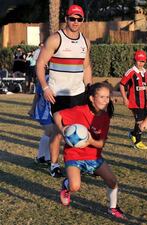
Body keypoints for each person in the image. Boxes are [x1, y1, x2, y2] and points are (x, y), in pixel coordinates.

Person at [53, 82, 126, 219]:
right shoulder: (78, 111)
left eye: (107, 97)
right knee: (75, 187)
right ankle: (66, 185)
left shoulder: (105, 118)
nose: (105, 100)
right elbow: (57, 114)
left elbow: (100, 144)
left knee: (112, 181)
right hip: (73, 156)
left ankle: (113, 208)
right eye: (102, 97)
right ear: (92, 98)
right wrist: (62, 129)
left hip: (94, 157)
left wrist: (90, 141)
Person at [36, 4, 92, 178]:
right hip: (58, 95)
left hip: (78, 94)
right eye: (72, 18)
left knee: (82, 130)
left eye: (79, 19)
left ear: (82, 20)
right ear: (66, 19)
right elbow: (39, 65)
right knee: (58, 132)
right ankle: (54, 165)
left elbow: (86, 66)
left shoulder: (85, 41)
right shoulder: (55, 39)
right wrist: (45, 87)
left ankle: (81, 164)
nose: (75, 22)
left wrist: (89, 89)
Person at [119, 50, 147, 150]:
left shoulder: (145, 72)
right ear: (135, 60)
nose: (140, 63)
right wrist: (125, 98)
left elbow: (145, 86)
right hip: (135, 102)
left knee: (146, 121)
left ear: (145, 62)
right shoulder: (131, 72)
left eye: (142, 61)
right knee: (140, 123)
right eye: (138, 61)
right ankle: (137, 142)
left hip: (144, 102)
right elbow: (122, 85)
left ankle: (133, 133)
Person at [28, 74, 53, 165]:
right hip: (44, 110)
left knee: (52, 133)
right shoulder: (45, 78)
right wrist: (32, 108)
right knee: (49, 131)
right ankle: (41, 157)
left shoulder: (62, 78)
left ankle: (46, 158)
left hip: (54, 111)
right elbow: (37, 95)